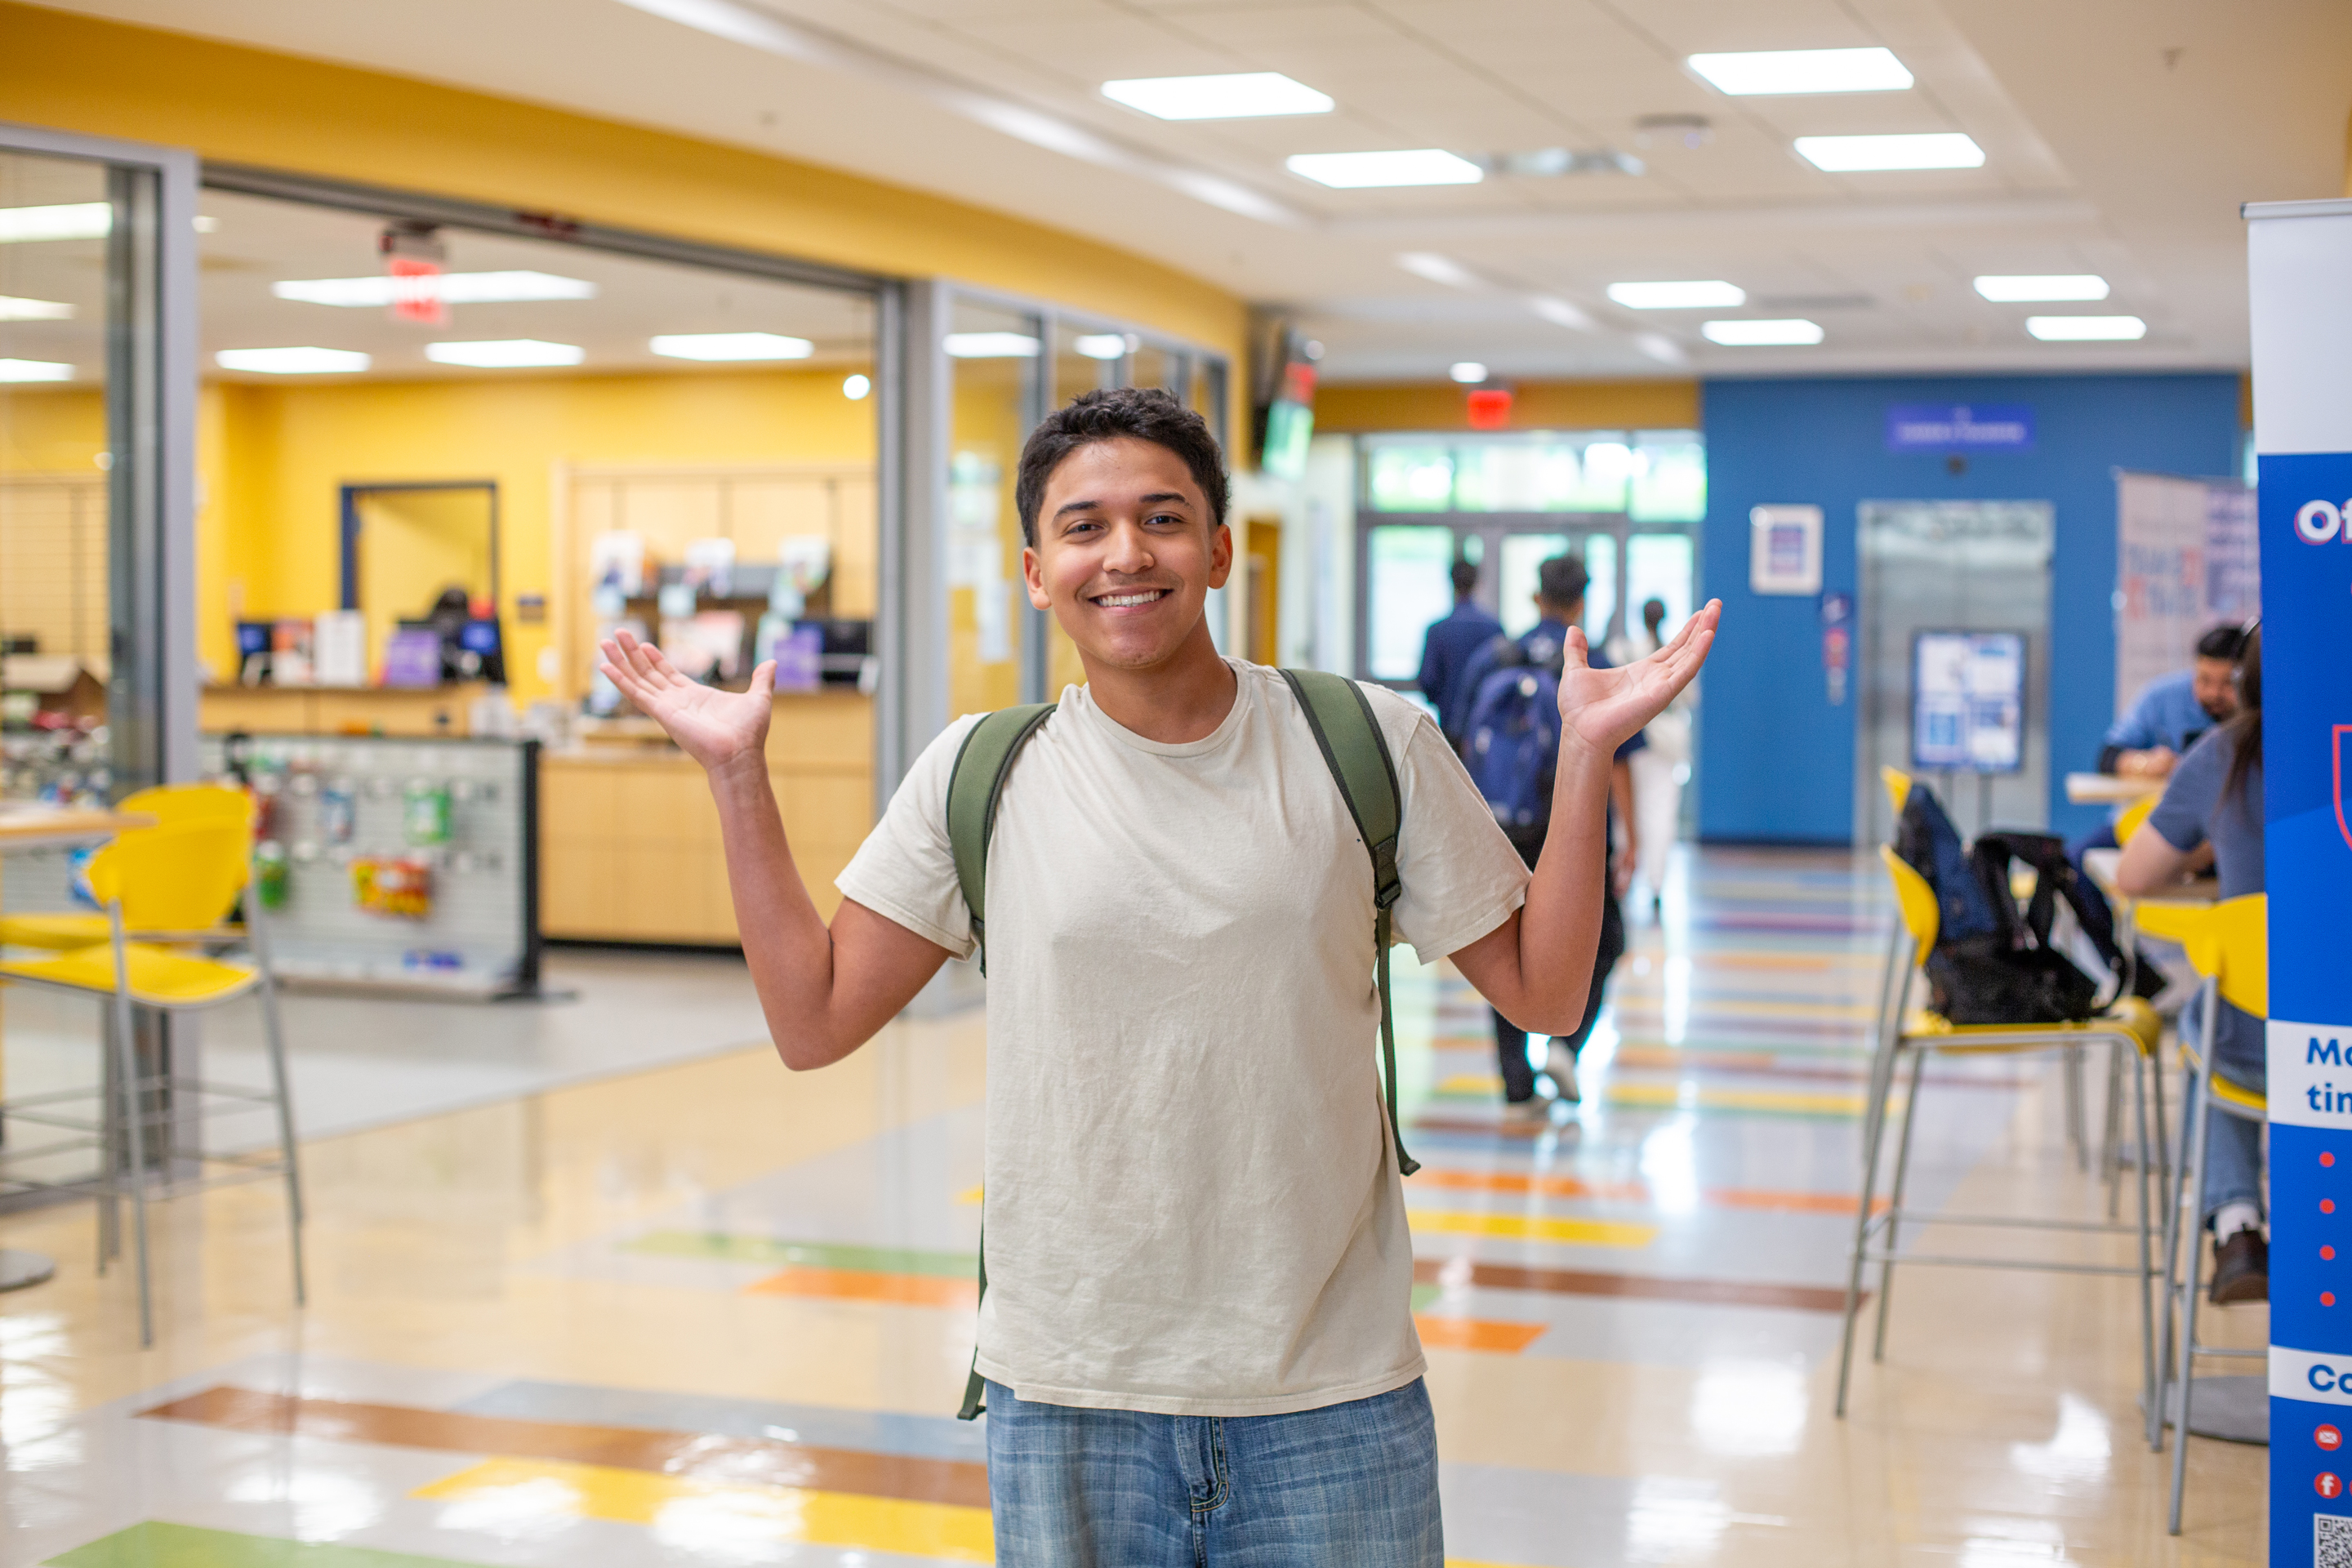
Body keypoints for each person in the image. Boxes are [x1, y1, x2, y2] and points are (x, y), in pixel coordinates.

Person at [599, 386, 1717, 1566]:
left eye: (1163, 518)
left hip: (1328, 1388)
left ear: (1221, 550)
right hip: (1071, 1385)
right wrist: (736, 775)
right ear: (1037, 571)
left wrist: (1590, 757)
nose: (1124, 554)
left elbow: (1545, 996)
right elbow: (813, 1020)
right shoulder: (982, 774)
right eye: (1083, 527)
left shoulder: (1366, 743)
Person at [1454, 555, 1643, 1115]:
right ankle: (1564, 1046)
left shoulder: (1493, 660)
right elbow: (1621, 761)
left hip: (1503, 826)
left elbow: (1460, 745)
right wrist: (1629, 836)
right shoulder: (1593, 665)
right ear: (1582, 600)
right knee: (1606, 943)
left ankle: (1515, 1082)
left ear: (1537, 596)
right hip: (1577, 836)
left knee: (1503, 947)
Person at [2114, 626, 2265, 1303]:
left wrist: (2212, 842)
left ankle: (2236, 1225)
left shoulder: (2227, 752)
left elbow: (2136, 874)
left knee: (2215, 1014)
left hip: (2257, 1047)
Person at [1614, 597, 1690, 915]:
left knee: (1627, 809)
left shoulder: (1624, 651)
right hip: (1667, 742)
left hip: (1634, 736)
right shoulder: (1679, 655)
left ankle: (1624, 877)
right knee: (1661, 814)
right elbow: (1688, 698)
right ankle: (1656, 885)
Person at [2100, 623, 2246, 778]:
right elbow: (2108, 756)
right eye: (2204, 680)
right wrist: (2145, 764)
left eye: (2228, 682)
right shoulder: (2162, 697)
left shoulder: (2259, 705)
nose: (2214, 693)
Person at [1415, 555, 1501, 742]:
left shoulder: (1437, 630)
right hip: (1485, 728)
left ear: (1451, 583)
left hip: (1448, 724)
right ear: (1478, 583)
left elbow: (1428, 679)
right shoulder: (1494, 628)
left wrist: (1445, 703)